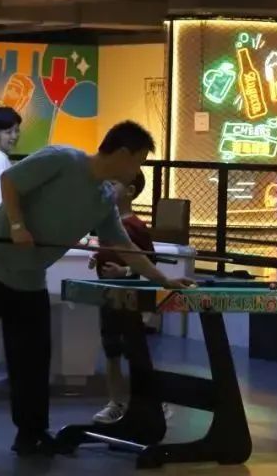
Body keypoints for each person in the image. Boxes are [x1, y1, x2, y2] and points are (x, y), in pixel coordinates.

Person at [0, 122, 196, 462]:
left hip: (30, 279)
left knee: (33, 359)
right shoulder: (63, 159)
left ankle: (31, 434)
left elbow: (124, 245)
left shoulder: (104, 198)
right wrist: (17, 225)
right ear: (123, 154)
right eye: (138, 161)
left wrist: (162, 279)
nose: (137, 170)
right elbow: (10, 181)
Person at [89, 170, 171, 425]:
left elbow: (148, 261)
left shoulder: (136, 226)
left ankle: (150, 401)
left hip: (129, 301)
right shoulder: (107, 222)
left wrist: (124, 271)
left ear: (130, 191)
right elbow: (109, 250)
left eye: (114, 182)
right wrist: (97, 257)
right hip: (108, 298)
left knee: (135, 353)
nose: (107, 187)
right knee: (111, 350)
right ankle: (115, 402)